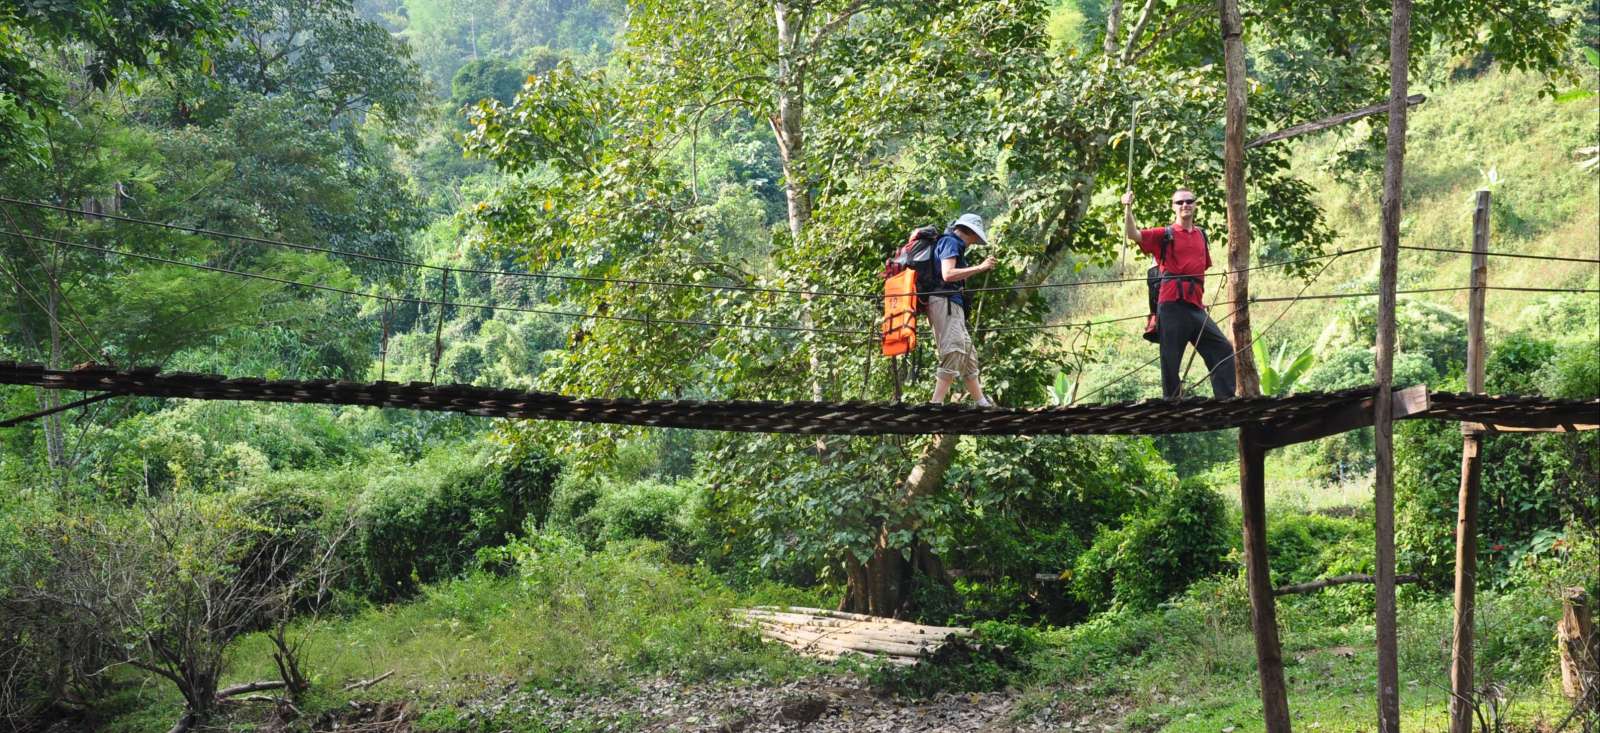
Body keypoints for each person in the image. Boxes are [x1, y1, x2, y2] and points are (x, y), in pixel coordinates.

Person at [1121, 188, 1237, 399]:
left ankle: (1226, 397)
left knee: (1222, 349)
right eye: (1180, 202)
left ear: (1195, 205)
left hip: (1195, 306)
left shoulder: (1201, 235)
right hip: (1171, 303)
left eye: (1189, 201)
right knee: (1171, 357)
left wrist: (1202, 301)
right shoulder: (1165, 234)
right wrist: (1127, 208)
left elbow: (1198, 270)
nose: (1185, 205)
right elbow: (1133, 234)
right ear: (1173, 206)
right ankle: (1172, 399)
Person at [928, 213, 998, 407]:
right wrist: (981, 267)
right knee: (954, 349)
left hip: (952, 304)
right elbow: (948, 274)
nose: (974, 243)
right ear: (971, 233)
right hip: (945, 302)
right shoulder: (951, 242)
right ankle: (936, 403)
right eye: (975, 239)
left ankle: (981, 402)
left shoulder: (953, 244)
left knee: (968, 353)